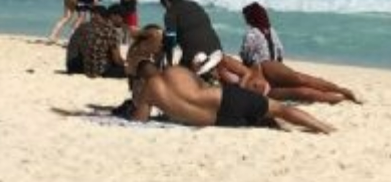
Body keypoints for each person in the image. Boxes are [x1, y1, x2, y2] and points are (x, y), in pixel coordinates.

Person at [130, 63, 334, 133]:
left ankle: (276, 123)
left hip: (220, 121)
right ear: (157, 68)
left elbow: (139, 121)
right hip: (222, 98)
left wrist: (141, 100)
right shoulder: (175, 71)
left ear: (142, 79)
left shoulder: (150, 92)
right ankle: (324, 128)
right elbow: (202, 85)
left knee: (262, 118)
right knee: (279, 108)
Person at [215, 54, 360, 105]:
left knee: (300, 79)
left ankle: (342, 90)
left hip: (263, 72)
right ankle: (337, 99)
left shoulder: (224, 60)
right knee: (302, 93)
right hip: (265, 93)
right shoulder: (209, 81)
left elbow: (248, 72)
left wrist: (241, 87)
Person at [160, 0, 223, 75]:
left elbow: (170, 37)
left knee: (170, 68)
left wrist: (165, 49)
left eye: (164, 6)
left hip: (195, 54)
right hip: (216, 47)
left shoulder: (171, 12)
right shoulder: (194, 4)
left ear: (167, 2)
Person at [74, 5, 127, 78]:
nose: (122, 21)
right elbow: (117, 60)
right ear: (114, 16)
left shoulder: (94, 27)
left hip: (87, 68)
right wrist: (126, 64)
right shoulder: (112, 31)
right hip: (102, 70)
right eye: (122, 17)